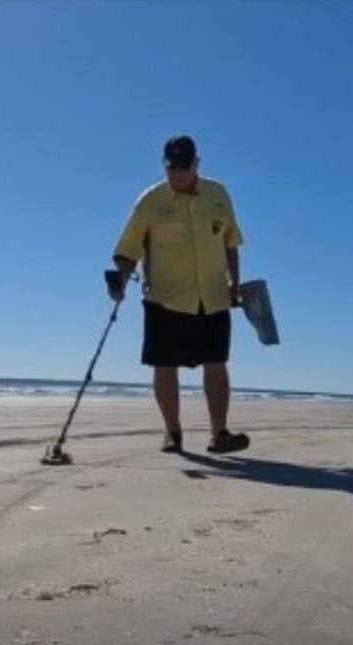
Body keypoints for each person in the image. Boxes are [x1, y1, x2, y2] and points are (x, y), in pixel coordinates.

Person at [109, 135, 250, 454]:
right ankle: (173, 432)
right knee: (164, 365)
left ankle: (220, 434)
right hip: (164, 297)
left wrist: (234, 282)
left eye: (184, 166)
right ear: (165, 165)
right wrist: (120, 279)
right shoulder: (151, 200)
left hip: (212, 295)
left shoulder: (218, 194)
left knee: (217, 362)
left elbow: (230, 242)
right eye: (171, 167)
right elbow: (128, 248)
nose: (177, 173)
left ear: (196, 163)